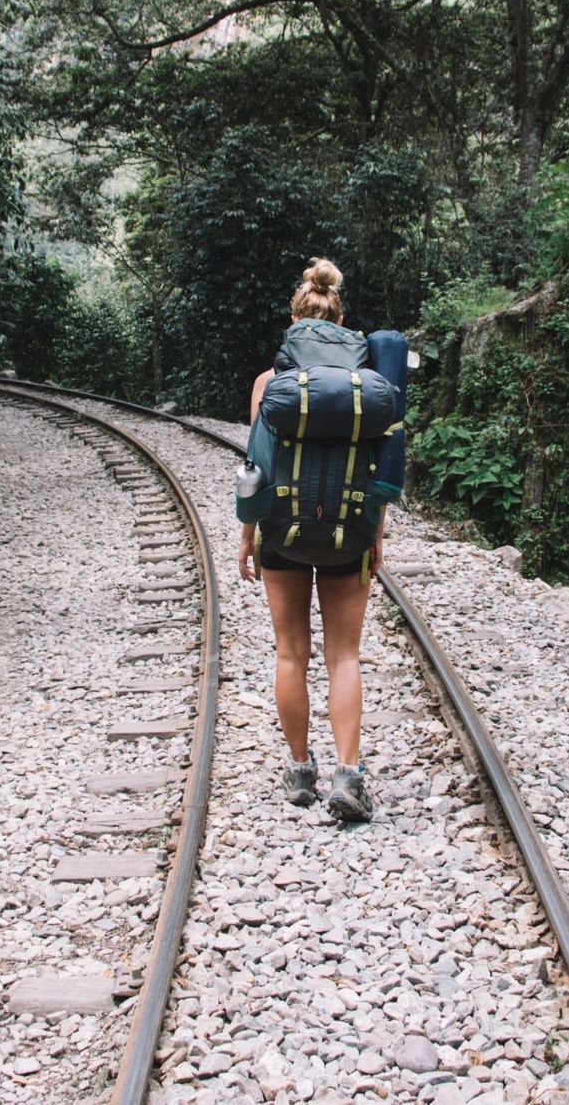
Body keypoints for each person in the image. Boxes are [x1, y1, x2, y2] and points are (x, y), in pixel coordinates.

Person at [237, 258, 380, 823]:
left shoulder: (268, 385)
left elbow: (256, 467)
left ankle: (300, 770)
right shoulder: (367, 386)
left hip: (281, 532)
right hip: (350, 531)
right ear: (340, 319)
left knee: (291, 653)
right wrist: (375, 536)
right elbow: (380, 469)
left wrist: (248, 536)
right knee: (344, 655)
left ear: (295, 321)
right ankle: (348, 774)